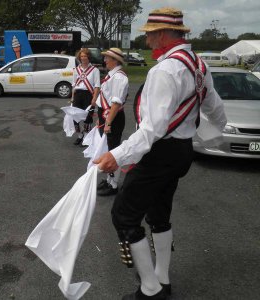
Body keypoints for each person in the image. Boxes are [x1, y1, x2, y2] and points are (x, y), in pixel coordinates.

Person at [94, 7, 227, 300]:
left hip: (160, 152)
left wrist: (119, 154)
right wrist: (212, 132)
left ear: (164, 35)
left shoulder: (165, 70)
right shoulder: (198, 64)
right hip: (180, 152)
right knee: (158, 214)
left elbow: (152, 129)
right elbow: (215, 109)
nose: (148, 40)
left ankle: (151, 289)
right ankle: (162, 280)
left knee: (124, 216)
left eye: (151, 34)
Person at [96, 48, 129, 197]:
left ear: (115, 60)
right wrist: (102, 119)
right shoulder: (112, 76)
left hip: (113, 118)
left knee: (113, 151)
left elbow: (115, 103)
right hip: (107, 117)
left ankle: (114, 184)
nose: (104, 61)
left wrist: (108, 123)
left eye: (107, 58)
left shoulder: (119, 78)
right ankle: (109, 180)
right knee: (108, 150)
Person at [71, 48, 100, 145]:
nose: (83, 58)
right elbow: (74, 85)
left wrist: (94, 98)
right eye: (81, 56)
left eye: (85, 56)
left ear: (89, 57)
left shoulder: (95, 70)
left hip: (88, 95)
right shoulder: (76, 70)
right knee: (75, 117)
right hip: (78, 94)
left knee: (88, 117)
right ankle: (80, 135)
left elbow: (97, 86)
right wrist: (72, 97)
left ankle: (87, 138)